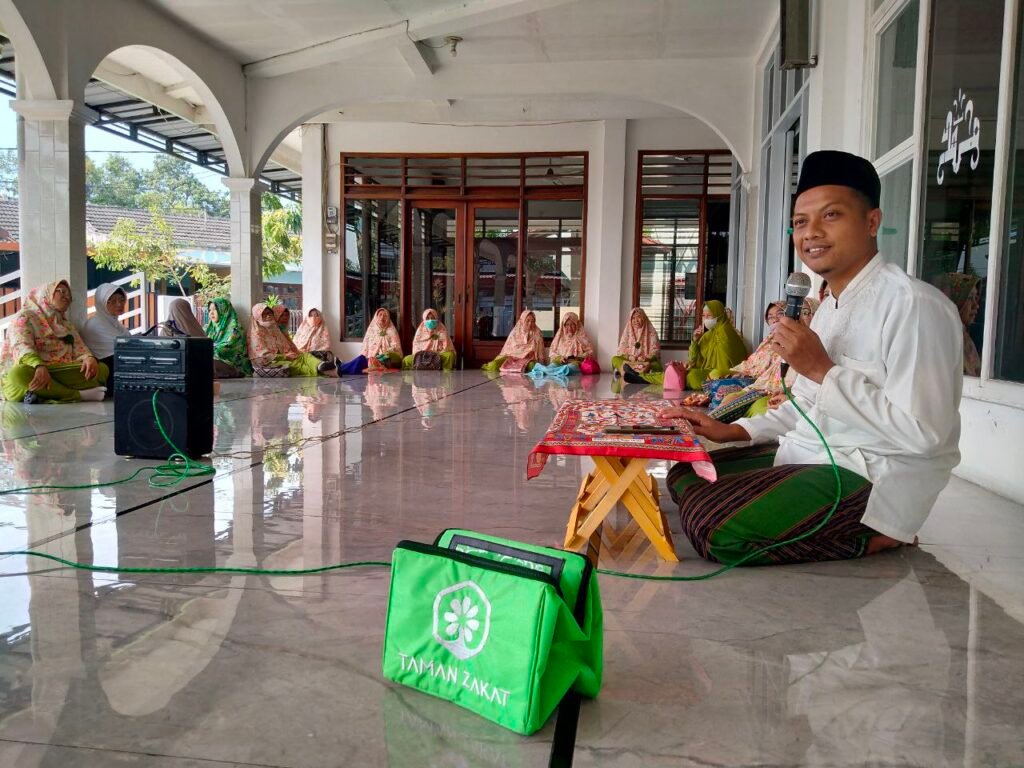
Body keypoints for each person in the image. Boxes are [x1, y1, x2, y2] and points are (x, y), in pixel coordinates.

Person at [661, 150, 963, 566]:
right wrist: (735, 431)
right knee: (685, 473)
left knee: (715, 526)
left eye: (831, 215)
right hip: (811, 455)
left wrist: (824, 370)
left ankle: (872, 534)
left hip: (872, 475)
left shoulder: (913, 305)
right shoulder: (826, 307)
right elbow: (804, 406)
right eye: (801, 222)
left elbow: (926, 436)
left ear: (871, 222)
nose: (811, 233)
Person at [1, 280, 108, 403]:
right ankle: (78, 395)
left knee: (102, 369)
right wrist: (38, 365)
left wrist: (89, 358)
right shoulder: (25, 317)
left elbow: (81, 350)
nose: (66, 296)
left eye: (69, 294)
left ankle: (44, 395)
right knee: (18, 374)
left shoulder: (67, 325)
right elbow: (21, 345)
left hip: (56, 371)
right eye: (61, 291)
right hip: (32, 370)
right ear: (45, 294)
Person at [247, 303, 333, 377]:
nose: (268, 316)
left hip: (283, 357)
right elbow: (262, 356)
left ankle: (321, 366)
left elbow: (286, 346)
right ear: (257, 316)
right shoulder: (256, 335)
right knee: (296, 365)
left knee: (304, 356)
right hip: (269, 363)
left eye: (269, 313)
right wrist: (285, 356)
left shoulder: (274, 329)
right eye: (264, 314)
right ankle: (326, 370)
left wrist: (293, 354)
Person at [678, 300, 748, 389]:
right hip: (709, 372)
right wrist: (695, 340)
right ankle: (712, 385)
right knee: (691, 375)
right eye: (704, 316)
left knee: (705, 376)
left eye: (709, 316)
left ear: (719, 315)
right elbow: (693, 359)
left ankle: (717, 385)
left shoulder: (728, 332)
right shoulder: (707, 335)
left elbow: (737, 359)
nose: (706, 319)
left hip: (724, 373)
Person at [81, 283, 130, 394]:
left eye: (122, 300)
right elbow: (123, 347)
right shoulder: (95, 324)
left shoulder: (117, 324)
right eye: (112, 301)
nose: (119, 304)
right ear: (101, 302)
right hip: (106, 373)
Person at [934, 272, 981, 376]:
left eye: (976, 298)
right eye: (969, 298)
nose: (976, 305)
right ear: (954, 301)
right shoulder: (943, 341)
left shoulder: (964, 337)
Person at [338, 308, 403, 375]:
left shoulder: (392, 331)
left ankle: (339, 368)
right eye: (380, 315)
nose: (382, 317)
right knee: (360, 360)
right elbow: (365, 346)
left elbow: (396, 348)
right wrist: (369, 357)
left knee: (357, 364)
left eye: (385, 316)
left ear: (388, 318)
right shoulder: (371, 330)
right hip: (370, 358)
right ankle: (339, 367)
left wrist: (381, 356)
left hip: (385, 360)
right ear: (376, 317)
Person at [531, 312, 597, 377]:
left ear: (577, 325)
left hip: (575, 363)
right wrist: (560, 358)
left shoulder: (582, 338)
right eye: (567, 325)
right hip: (559, 362)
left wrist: (579, 357)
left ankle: (544, 371)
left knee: (568, 368)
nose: (570, 328)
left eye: (572, 324)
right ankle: (555, 371)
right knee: (551, 367)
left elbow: (590, 352)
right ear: (563, 326)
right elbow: (552, 352)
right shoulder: (559, 338)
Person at [481, 310, 545, 373]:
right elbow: (508, 349)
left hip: (527, 359)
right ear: (522, 321)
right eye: (528, 321)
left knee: (533, 366)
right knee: (493, 365)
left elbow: (540, 351)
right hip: (511, 358)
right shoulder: (515, 332)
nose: (530, 323)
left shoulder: (537, 333)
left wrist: (541, 363)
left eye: (533, 321)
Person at [205, 298, 252, 378]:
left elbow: (225, 349)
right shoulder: (210, 329)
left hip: (233, 365)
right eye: (209, 310)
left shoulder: (235, 330)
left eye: (215, 309)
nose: (211, 313)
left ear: (224, 311)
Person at [612, 308, 662, 379]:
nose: (636, 320)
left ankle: (631, 373)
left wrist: (646, 358)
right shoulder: (627, 331)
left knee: (657, 365)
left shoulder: (652, 332)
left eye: (638, 317)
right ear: (630, 320)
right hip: (630, 361)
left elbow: (656, 350)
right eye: (633, 318)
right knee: (614, 359)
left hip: (645, 361)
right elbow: (621, 349)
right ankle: (634, 373)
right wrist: (629, 357)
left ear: (644, 318)